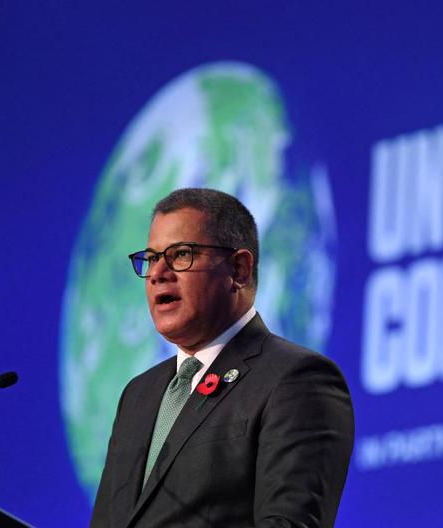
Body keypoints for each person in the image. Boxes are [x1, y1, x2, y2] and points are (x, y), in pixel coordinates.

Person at [91, 188, 354, 527]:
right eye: (152, 258)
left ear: (240, 269)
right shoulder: (138, 395)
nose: (157, 273)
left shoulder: (295, 380)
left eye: (181, 254)